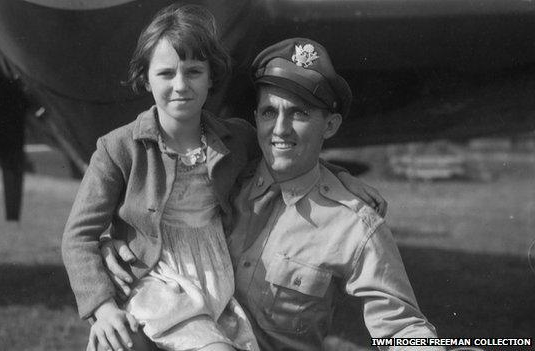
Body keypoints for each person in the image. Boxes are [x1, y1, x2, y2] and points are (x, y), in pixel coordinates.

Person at [62, 5, 385, 351]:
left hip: (217, 278)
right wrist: (104, 307)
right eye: (166, 73)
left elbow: (289, 162)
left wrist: (343, 179)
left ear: (211, 77)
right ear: (145, 78)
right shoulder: (119, 148)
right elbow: (78, 236)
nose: (180, 85)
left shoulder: (236, 138)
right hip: (155, 282)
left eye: (193, 71)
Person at [104, 38, 443, 351]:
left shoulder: (353, 225)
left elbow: (401, 329)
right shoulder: (222, 175)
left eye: (299, 113)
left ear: (330, 125)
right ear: (255, 119)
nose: (279, 128)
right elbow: (154, 212)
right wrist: (112, 242)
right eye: (270, 112)